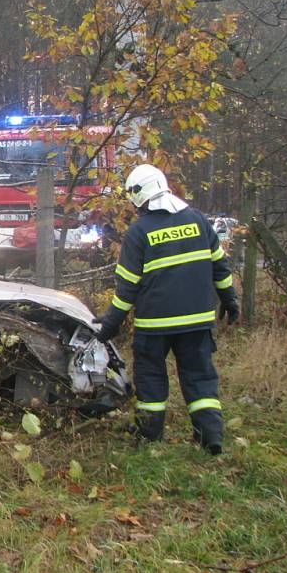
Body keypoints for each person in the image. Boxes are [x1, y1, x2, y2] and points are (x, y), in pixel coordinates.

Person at [93, 164, 239, 455]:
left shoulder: (139, 233)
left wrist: (110, 325)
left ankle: (149, 437)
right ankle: (211, 436)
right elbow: (220, 267)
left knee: (151, 380)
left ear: (138, 195)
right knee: (200, 378)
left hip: (155, 326)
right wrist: (230, 299)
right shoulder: (198, 221)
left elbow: (127, 290)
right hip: (197, 323)